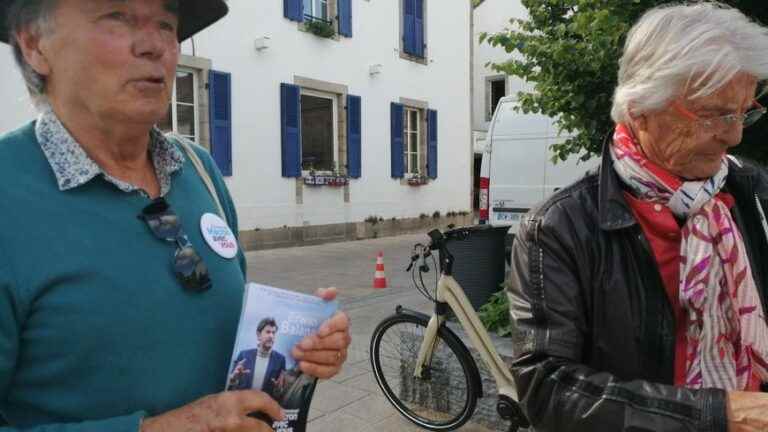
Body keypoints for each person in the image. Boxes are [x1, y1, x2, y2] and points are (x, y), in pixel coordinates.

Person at [0, 0, 351, 431]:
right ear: (35, 44)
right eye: (117, 16)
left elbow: (216, 329)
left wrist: (298, 347)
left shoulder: (197, 170)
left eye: (167, 25)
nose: (155, 45)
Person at [507, 3, 768, 431]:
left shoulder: (751, 191)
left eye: (744, 111)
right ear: (640, 107)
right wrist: (718, 415)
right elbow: (547, 386)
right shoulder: (559, 227)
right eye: (713, 113)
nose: (735, 133)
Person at [228, 318, 287, 395]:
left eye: (274, 333)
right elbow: (231, 388)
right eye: (268, 332)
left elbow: (279, 394)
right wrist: (233, 379)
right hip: (243, 404)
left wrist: (278, 390)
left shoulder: (280, 360)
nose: (271, 336)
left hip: (264, 405)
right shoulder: (244, 355)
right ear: (258, 335)